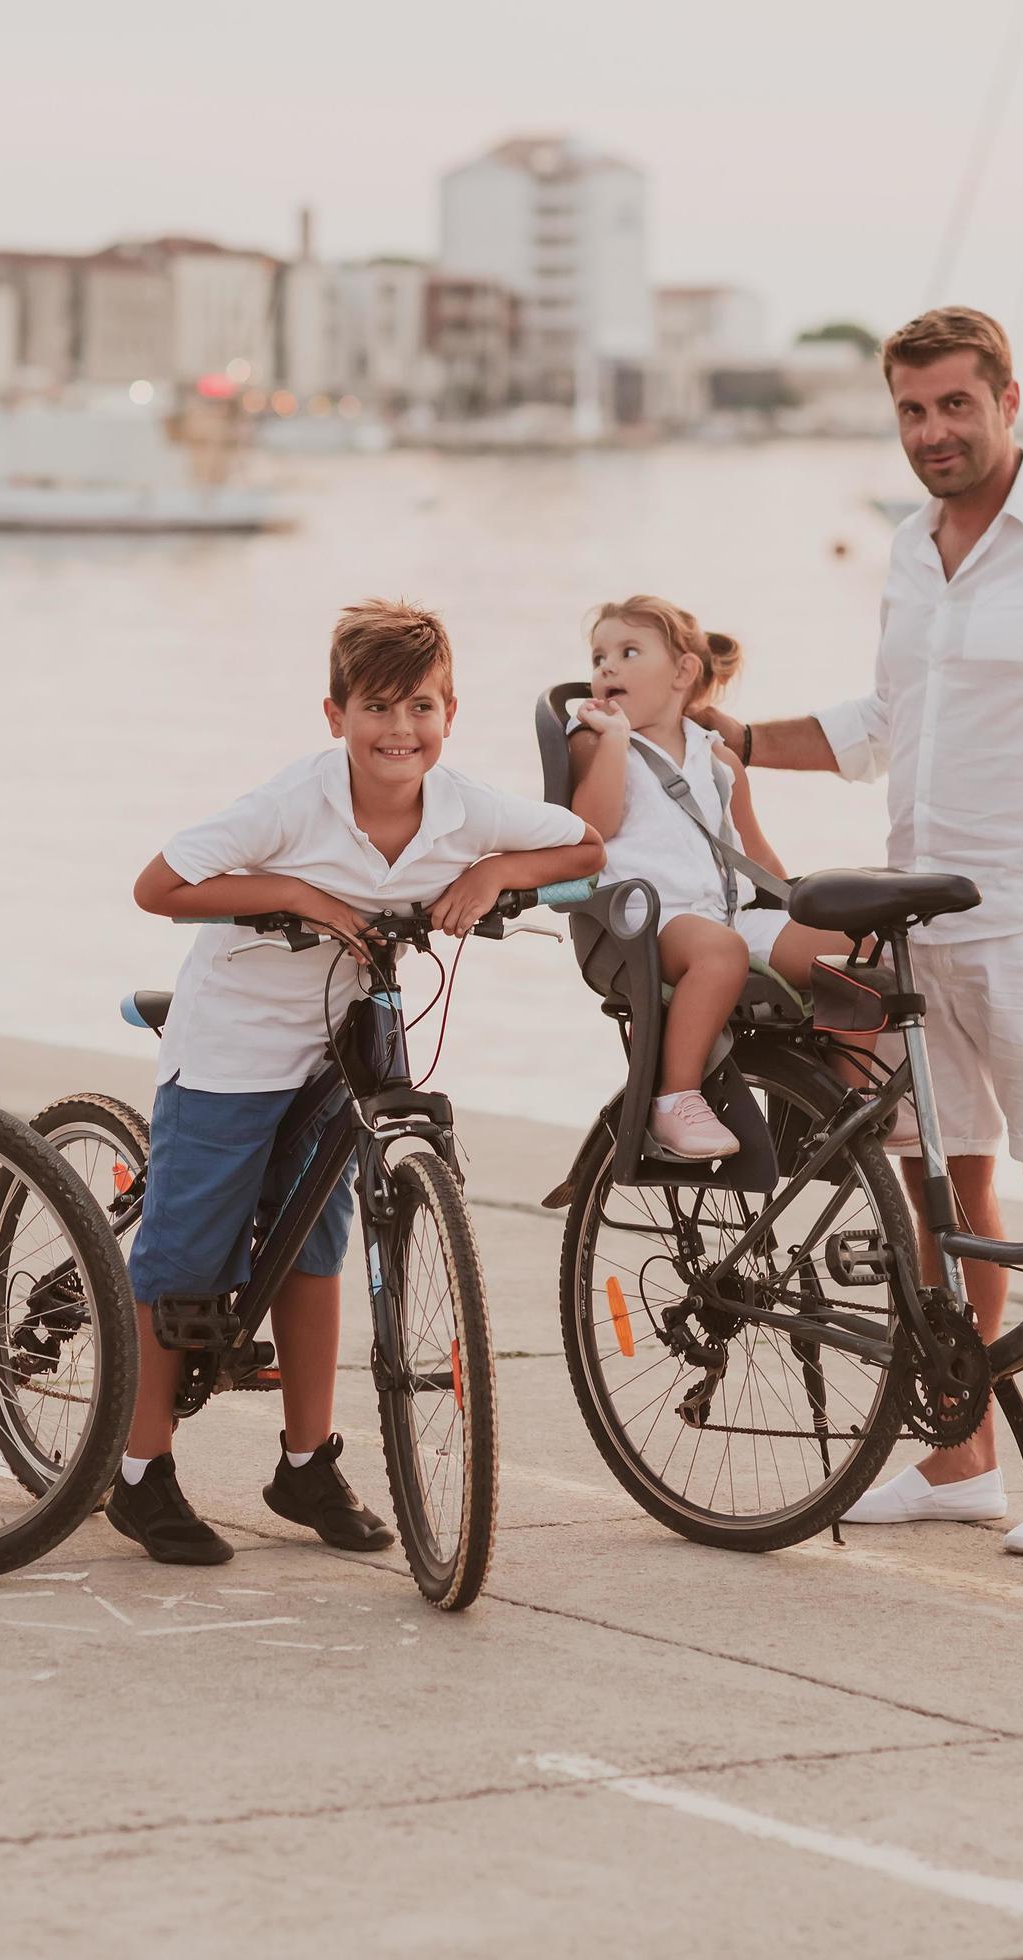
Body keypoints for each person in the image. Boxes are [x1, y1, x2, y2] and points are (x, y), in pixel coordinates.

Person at [692, 308, 1023, 1556]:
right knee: (943, 1183)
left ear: (1008, 399)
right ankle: (961, 1455)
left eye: (954, 407)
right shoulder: (911, 551)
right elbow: (886, 719)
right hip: (921, 919)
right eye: (913, 411)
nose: (932, 432)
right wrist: (743, 740)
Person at [113, 600, 604, 1566]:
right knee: (184, 1259)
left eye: (420, 707)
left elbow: (585, 846)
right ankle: (139, 1472)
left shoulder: (463, 806)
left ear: (450, 713)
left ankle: (307, 1459)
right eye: (376, 708)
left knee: (318, 1247)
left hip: (352, 1043)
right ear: (334, 715)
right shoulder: (289, 805)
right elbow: (159, 887)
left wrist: (496, 873)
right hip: (238, 1044)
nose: (400, 730)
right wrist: (297, 894)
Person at [563, 595, 903, 1158]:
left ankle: (842, 1096)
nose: (606, 667)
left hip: (727, 916)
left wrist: (810, 903)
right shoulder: (595, 741)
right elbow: (590, 830)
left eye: (627, 652)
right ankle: (676, 1099)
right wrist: (617, 739)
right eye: (599, 656)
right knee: (720, 952)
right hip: (646, 922)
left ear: (683, 672)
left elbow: (757, 859)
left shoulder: (717, 757)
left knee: (862, 946)